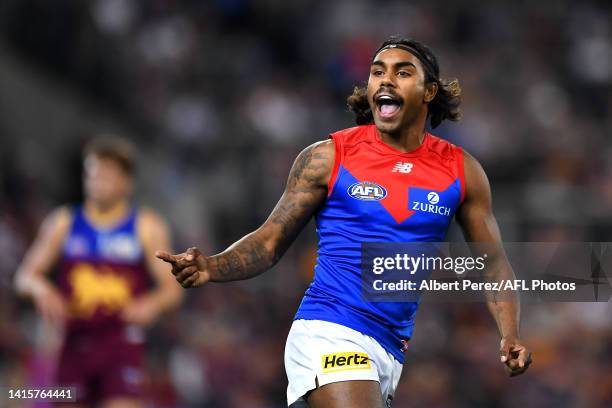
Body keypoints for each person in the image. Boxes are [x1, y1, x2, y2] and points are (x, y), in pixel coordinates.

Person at [156, 37, 532, 408]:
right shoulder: (328, 157)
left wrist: (509, 334)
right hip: (329, 330)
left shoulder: (462, 171)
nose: (385, 80)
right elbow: (269, 242)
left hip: (389, 349)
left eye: (402, 72)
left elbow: (493, 264)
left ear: (429, 90)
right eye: (376, 72)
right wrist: (211, 266)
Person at [15, 137, 183, 408]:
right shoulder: (63, 222)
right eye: (92, 175)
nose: (97, 183)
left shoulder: (146, 226)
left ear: (127, 183)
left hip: (119, 342)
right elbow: (24, 276)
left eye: (107, 176)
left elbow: (172, 288)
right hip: (72, 340)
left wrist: (152, 303)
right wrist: (41, 288)